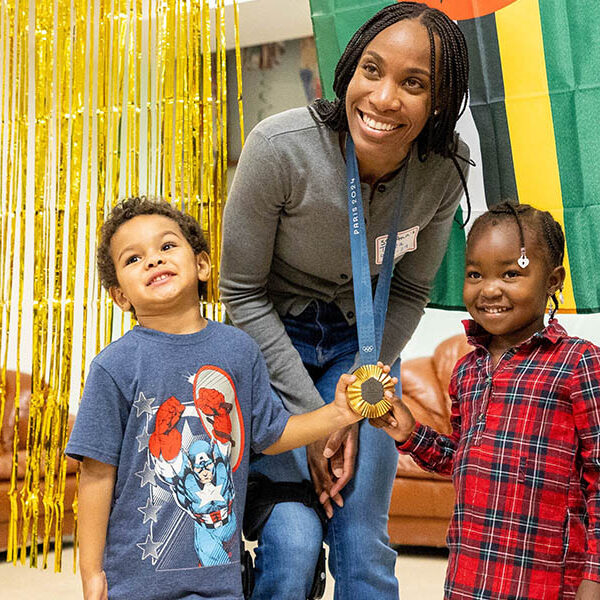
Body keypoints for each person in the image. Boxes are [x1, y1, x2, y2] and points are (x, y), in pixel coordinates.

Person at [219, 2, 470, 598]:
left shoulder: (443, 167)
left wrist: (361, 395)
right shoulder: (280, 147)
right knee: (293, 542)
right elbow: (240, 293)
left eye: (414, 84)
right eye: (372, 70)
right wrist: (320, 419)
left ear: (439, 102)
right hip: (270, 345)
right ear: (349, 69)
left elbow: (409, 288)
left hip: (363, 348)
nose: (384, 99)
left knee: (362, 542)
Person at [65, 196, 382, 600]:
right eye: (133, 259)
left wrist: (336, 413)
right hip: (136, 584)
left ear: (201, 265)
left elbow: (272, 433)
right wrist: (91, 573)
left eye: (166, 246)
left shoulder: (239, 349)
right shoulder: (113, 367)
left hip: (219, 582)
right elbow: (95, 475)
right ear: (119, 297)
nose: (153, 260)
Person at [374, 202, 600, 599]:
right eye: (475, 274)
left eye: (511, 273)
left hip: (546, 584)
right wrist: (410, 432)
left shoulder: (579, 363)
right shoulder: (467, 372)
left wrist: (593, 578)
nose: (490, 288)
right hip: (470, 580)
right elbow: (461, 458)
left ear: (553, 280)